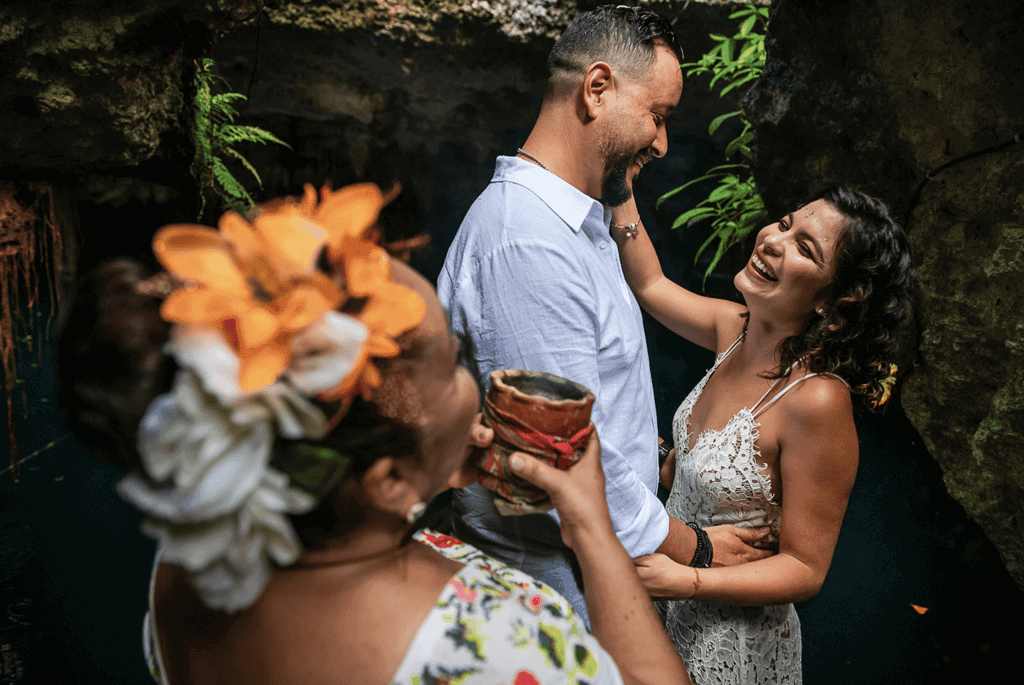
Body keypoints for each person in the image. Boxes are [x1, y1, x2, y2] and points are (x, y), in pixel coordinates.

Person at [56, 184, 694, 685]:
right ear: (387, 481)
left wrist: (432, 465)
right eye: (454, 363)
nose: (476, 374)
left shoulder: (188, 564)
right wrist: (590, 524)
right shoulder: (487, 645)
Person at [438, 3, 770, 625]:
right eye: (658, 116)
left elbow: (594, 397)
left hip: (592, 578)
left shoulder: (578, 226)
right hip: (552, 598)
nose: (665, 143)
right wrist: (694, 548)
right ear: (597, 89)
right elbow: (559, 459)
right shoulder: (528, 242)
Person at [607, 184, 916, 684]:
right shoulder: (733, 329)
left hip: (730, 641)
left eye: (804, 248)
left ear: (835, 302)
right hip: (661, 601)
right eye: (787, 222)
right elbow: (649, 284)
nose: (773, 238)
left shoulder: (817, 400)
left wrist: (687, 581)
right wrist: (618, 183)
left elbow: (804, 568)